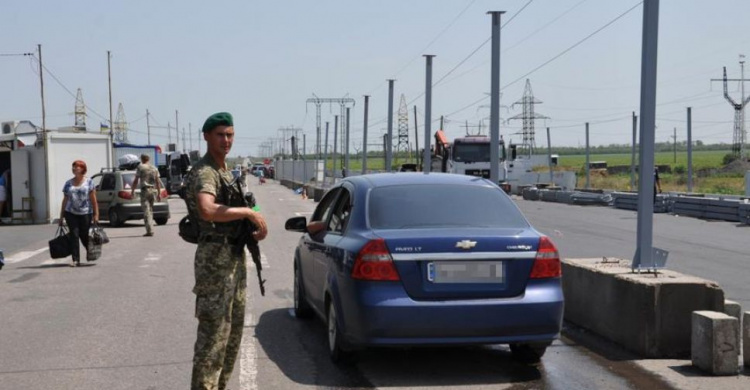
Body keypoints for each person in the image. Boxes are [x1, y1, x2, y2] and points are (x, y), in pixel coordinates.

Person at [185, 112, 268, 390]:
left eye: (230, 134)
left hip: (232, 258)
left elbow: (246, 203)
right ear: (207, 136)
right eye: (220, 134)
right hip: (215, 262)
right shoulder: (205, 171)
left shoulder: (225, 171)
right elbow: (207, 209)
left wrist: (257, 219)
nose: (226, 140)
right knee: (213, 341)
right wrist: (246, 212)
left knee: (231, 338)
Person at [59, 160, 99, 267]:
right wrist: (61, 216)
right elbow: (65, 200)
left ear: (82, 169)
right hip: (70, 212)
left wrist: (96, 214)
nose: (74, 169)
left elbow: (93, 200)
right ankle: (75, 259)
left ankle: (91, 252)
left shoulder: (89, 182)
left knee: (84, 235)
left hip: (86, 212)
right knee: (74, 235)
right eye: (73, 167)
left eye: (76, 167)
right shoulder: (68, 183)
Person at [131, 154, 163, 237]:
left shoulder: (141, 167)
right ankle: (150, 228)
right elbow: (158, 182)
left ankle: (150, 230)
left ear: (142, 159)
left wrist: (132, 191)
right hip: (153, 190)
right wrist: (159, 193)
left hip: (145, 190)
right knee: (150, 210)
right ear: (148, 159)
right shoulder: (154, 168)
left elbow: (135, 180)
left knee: (146, 211)